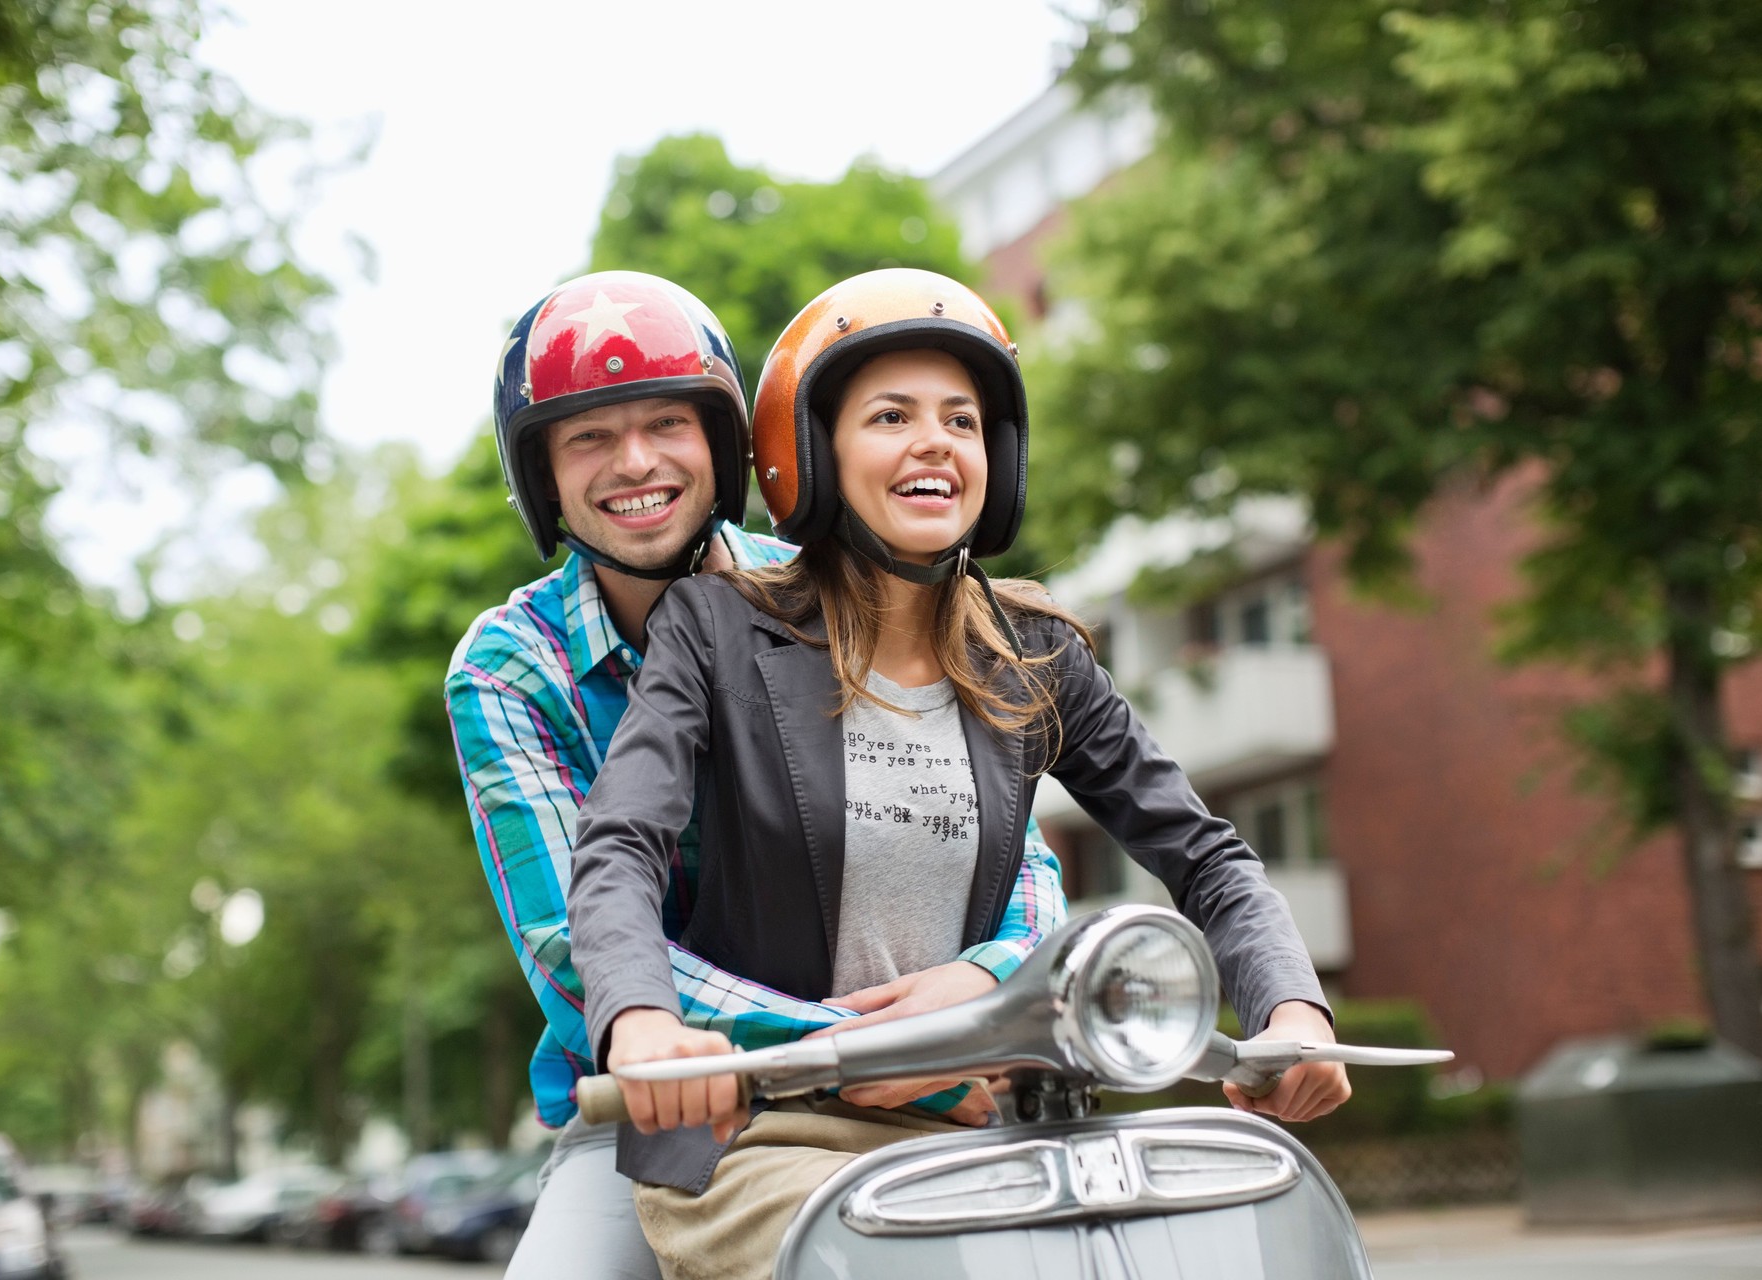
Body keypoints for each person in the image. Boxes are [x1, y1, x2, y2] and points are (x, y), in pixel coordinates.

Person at [569, 268, 1351, 1280]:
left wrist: (1293, 1008)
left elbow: (1204, 853)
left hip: (979, 1127)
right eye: (891, 415)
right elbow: (620, 839)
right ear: (809, 452)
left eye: (964, 420)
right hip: (759, 1138)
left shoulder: (1034, 653)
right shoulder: (716, 627)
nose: (935, 440)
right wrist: (640, 1021)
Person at [446, 270, 1070, 1280]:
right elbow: (574, 945)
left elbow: (1004, 837)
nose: (635, 461)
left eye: (666, 424)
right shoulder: (510, 665)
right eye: (589, 437)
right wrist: (869, 1048)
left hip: (927, 1075)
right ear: (543, 477)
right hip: (666, 1104)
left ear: (731, 445)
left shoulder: (833, 589)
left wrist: (987, 985)